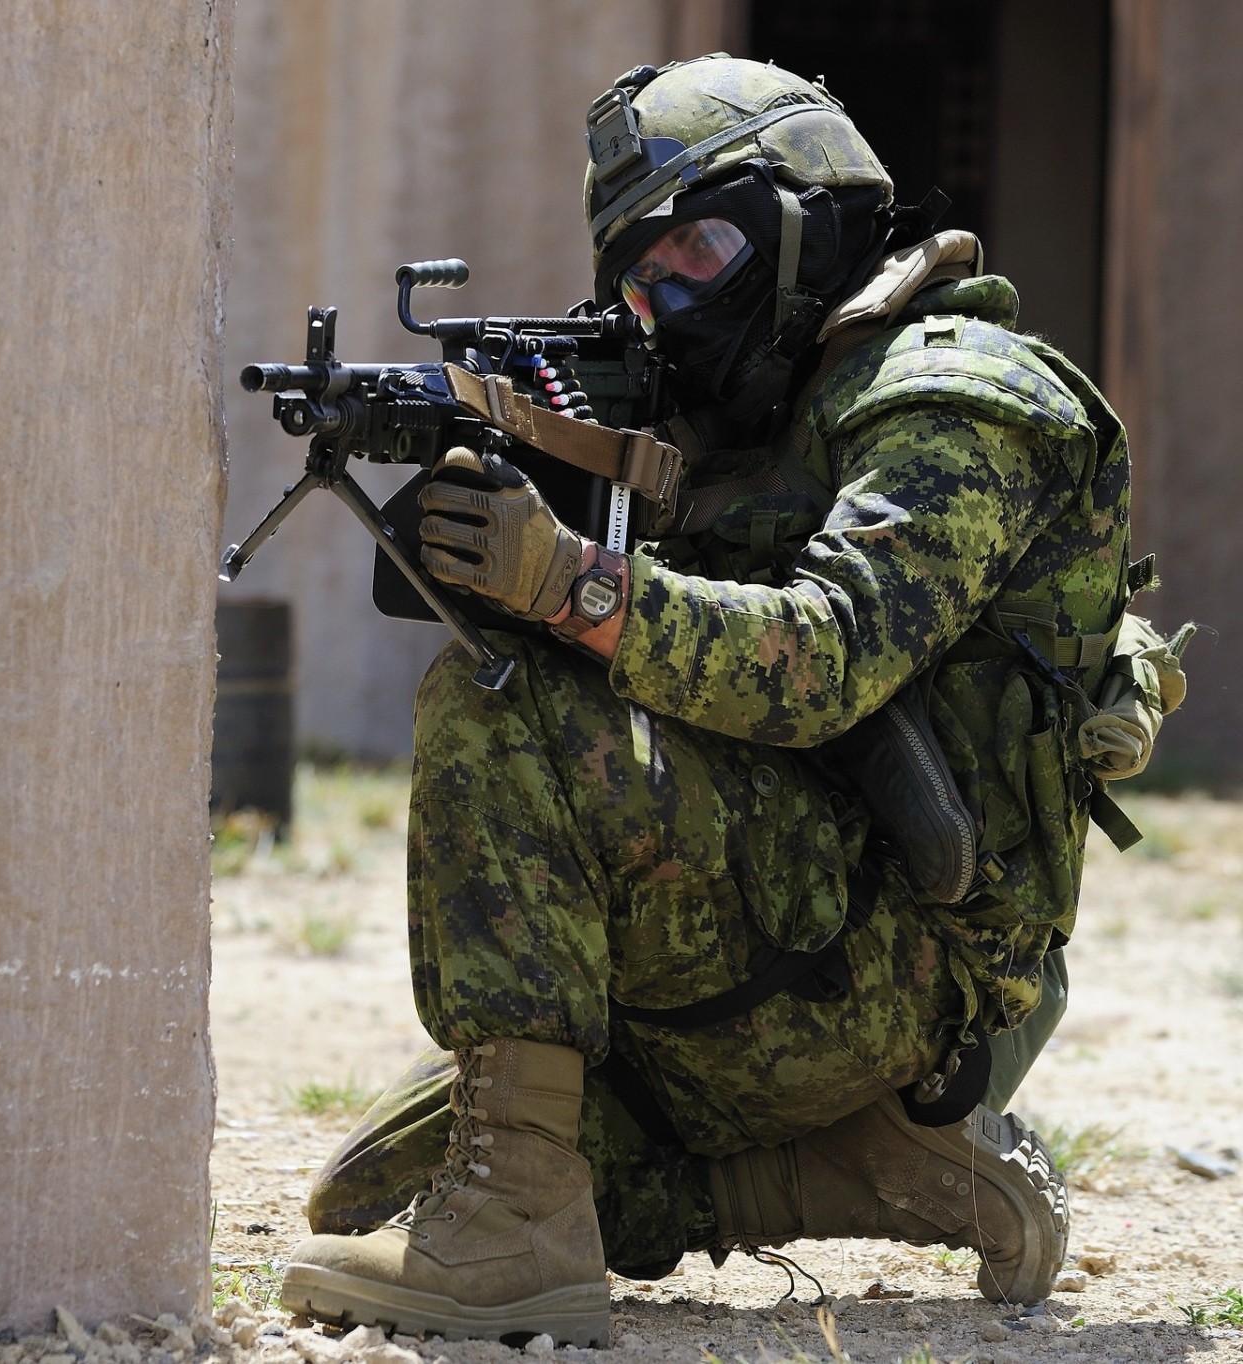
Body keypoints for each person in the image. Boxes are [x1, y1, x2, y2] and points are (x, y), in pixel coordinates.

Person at [277, 55, 1192, 1347]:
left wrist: (573, 586)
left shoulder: (966, 397)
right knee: (372, 1183)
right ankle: (851, 1170)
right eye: (638, 282)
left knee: (498, 703)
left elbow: (824, 655)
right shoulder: (744, 428)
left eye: (696, 251)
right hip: (781, 907)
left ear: (808, 220)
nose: (666, 304)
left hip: (916, 966)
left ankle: (518, 1236)